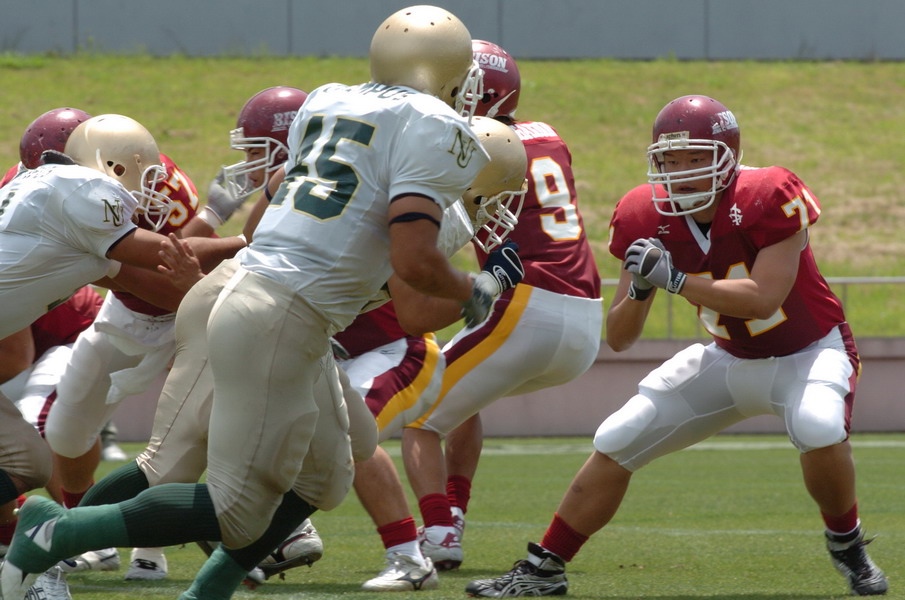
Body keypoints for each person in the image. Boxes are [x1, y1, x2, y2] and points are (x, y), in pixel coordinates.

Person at [0, 6, 500, 600]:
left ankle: (195, 587)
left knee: (325, 477)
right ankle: (57, 531)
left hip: (260, 294)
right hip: (277, 309)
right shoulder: (436, 132)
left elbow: (271, 220)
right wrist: (475, 289)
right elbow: (415, 265)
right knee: (235, 509)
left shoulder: (330, 99)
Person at [465, 95, 889, 598]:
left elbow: (763, 299)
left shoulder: (769, 193)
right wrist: (642, 289)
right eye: (670, 159)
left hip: (810, 351)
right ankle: (544, 569)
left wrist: (677, 280)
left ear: (728, 156)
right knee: (619, 436)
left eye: (695, 158)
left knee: (819, 425)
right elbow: (620, 337)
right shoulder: (643, 214)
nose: (682, 171)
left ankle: (847, 544)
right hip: (728, 357)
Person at [401, 39, 602, 571]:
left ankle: (439, 531)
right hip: (584, 317)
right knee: (461, 401)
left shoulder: (474, 146)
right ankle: (453, 512)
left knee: (418, 415)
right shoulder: (549, 137)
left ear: (479, 93)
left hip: (526, 306)